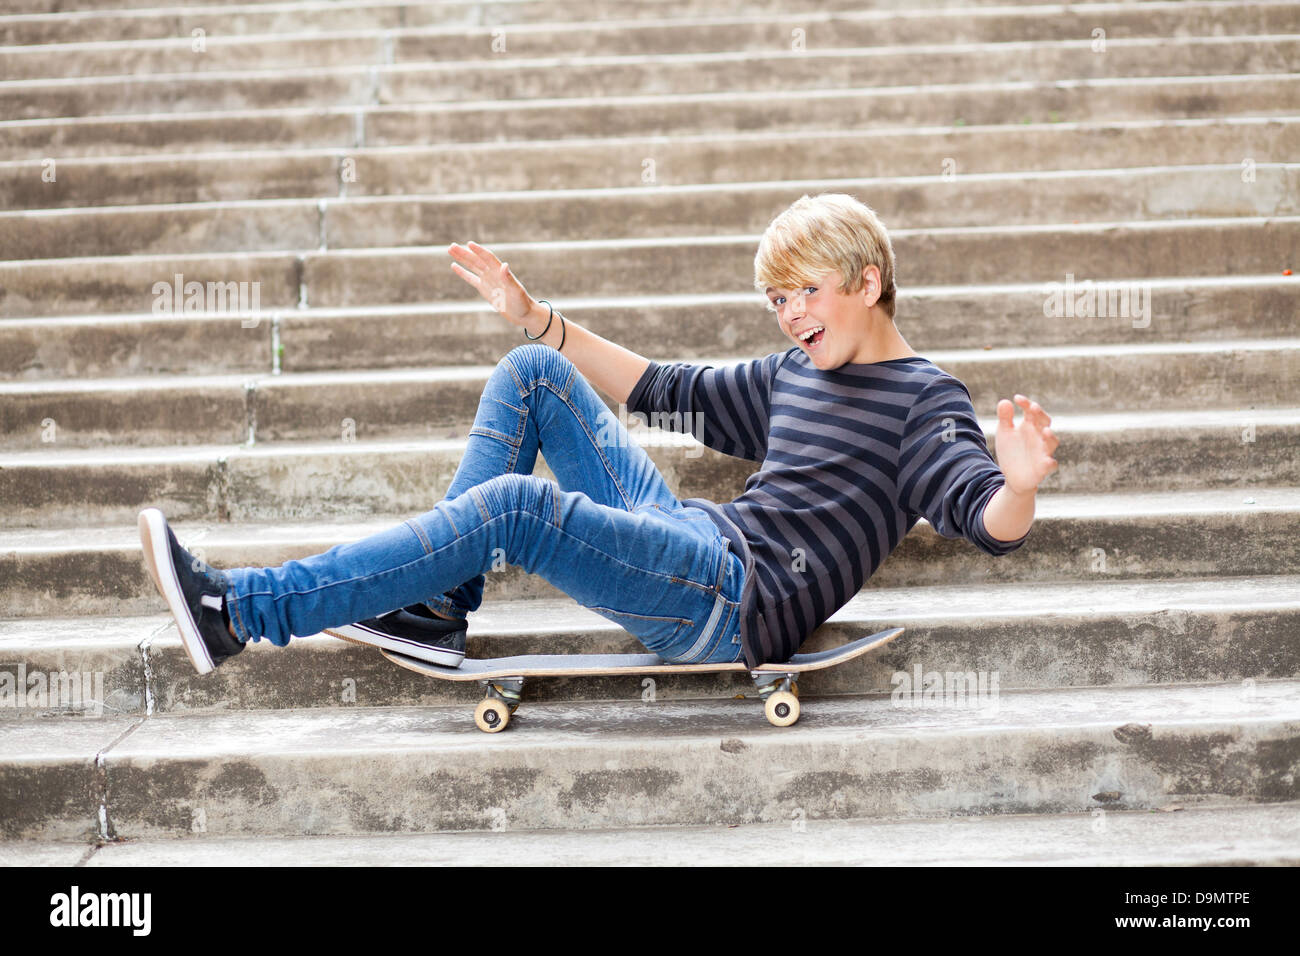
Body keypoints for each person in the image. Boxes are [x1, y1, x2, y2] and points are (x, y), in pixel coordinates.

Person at [139, 192, 1058, 676]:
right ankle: (434, 607)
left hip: (731, 602)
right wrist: (539, 317)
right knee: (536, 375)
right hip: (692, 544)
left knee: (516, 508)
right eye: (775, 300)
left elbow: (987, 520)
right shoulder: (793, 376)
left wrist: (1016, 484)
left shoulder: (922, 400)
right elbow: (661, 389)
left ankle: (240, 612)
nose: (788, 315)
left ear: (867, 282)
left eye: (805, 293)